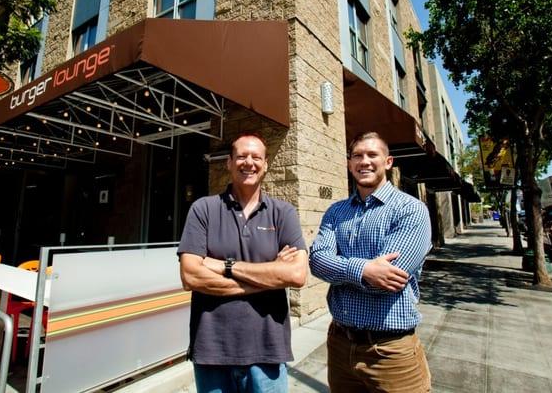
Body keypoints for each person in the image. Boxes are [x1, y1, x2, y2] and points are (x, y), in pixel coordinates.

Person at [178, 132, 308, 393]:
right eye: (241, 156)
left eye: (256, 157)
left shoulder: (284, 213)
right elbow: (191, 276)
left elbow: (296, 275)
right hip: (212, 350)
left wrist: (224, 266)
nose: (249, 162)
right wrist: (269, 277)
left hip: (267, 350)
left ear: (266, 164)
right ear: (228, 162)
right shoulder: (203, 209)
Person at [310, 132, 432, 392]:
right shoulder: (336, 212)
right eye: (357, 156)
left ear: (388, 162)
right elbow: (317, 262)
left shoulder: (410, 209)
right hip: (340, 345)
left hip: (390, 353)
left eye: (372, 155)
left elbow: (388, 280)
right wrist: (365, 269)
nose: (364, 161)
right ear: (349, 163)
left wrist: (340, 269)